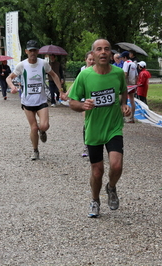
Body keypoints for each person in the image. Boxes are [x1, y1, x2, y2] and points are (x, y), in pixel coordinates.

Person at [68, 39, 131, 218]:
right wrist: (82, 106)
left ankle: (111, 187)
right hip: (94, 129)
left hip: (113, 127)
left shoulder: (118, 73)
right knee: (97, 170)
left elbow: (123, 92)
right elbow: (72, 102)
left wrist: (124, 105)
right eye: (98, 49)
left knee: (116, 166)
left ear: (111, 54)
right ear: (93, 55)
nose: (103, 52)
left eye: (106, 49)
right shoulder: (85, 76)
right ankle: (95, 200)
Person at [6, 40, 65, 160]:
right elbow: (9, 78)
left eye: (35, 50)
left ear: (38, 51)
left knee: (44, 125)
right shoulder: (22, 65)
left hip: (41, 100)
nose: (33, 52)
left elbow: (54, 75)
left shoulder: (43, 64)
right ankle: (35, 151)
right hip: (27, 101)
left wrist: (61, 90)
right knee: (33, 127)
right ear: (26, 51)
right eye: (30, 50)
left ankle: (42, 131)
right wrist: (12, 87)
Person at [121, 51, 138, 123]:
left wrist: (122, 82)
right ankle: (132, 117)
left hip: (126, 84)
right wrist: (135, 85)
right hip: (133, 84)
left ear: (125, 57)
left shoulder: (126, 63)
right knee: (132, 100)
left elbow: (125, 74)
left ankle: (123, 117)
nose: (121, 59)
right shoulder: (134, 64)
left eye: (122, 58)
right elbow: (136, 76)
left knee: (123, 100)